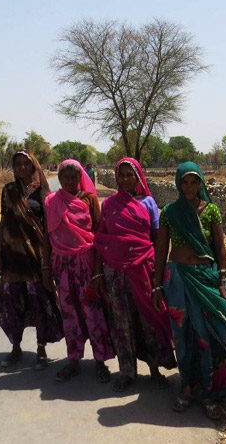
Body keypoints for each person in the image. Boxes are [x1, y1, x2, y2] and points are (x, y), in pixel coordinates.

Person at [152, 161, 226, 419]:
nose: (189, 187)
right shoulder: (169, 212)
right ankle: (187, 387)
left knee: (211, 336)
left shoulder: (211, 210)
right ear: (178, 184)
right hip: (178, 280)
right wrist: (157, 284)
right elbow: (161, 250)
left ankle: (210, 392)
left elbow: (220, 248)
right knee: (184, 336)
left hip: (206, 277)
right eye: (185, 182)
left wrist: (222, 280)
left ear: (201, 183)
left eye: (194, 182)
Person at [94, 158, 176, 392]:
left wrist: (157, 276)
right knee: (121, 323)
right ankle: (127, 371)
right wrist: (98, 273)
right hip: (115, 273)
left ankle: (154, 368)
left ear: (139, 176)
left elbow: (157, 240)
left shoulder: (149, 203)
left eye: (130, 175)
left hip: (142, 271)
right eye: (121, 175)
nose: (125, 179)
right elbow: (101, 240)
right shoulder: (109, 205)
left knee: (148, 320)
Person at [44, 159, 114, 383]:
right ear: (59, 178)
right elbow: (48, 236)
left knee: (93, 312)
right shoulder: (51, 201)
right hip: (61, 266)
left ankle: (100, 361)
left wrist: (97, 271)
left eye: (74, 177)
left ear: (81, 178)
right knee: (69, 315)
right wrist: (46, 268)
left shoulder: (89, 199)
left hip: (85, 263)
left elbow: (99, 234)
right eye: (65, 177)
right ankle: (73, 359)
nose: (70, 181)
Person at [0, 150, 64, 369]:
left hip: (36, 259)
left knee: (39, 303)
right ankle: (16, 347)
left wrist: (47, 262)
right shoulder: (8, 191)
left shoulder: (43, 193)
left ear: (34, 166)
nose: (22, 167)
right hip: (12, 259)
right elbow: (4, 223)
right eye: (18, 164)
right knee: (14, 304)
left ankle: (41, 349)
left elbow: (49, 230)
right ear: (13, 167)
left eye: (26, 163)